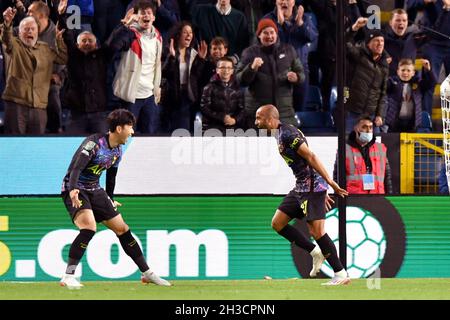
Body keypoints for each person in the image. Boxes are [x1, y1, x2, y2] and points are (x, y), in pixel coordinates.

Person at [60, 109, 171, 289]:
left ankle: (147, 273)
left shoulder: (118, 150)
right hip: (75, 188)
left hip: (95, 190)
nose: (133, 131)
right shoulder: (93, 144)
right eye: (130, 127)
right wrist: (72, 189)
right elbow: (75, 168)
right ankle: (68, 275)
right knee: (88, 228)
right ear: (119, 128)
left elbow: (111, 177)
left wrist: (110, 198)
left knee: (123, 229)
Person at [255, 104, 350, 285]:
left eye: (258, 118)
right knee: (278, 223)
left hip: (312, 187)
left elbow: (311, 156)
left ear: (269, 119)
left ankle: (340, 274)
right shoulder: (281, 133)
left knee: (317, 231)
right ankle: (315, 252)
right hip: (302, 187)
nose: (256, 122)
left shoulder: (288, 134)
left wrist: (328, 183)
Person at [1, 8, 67, 134]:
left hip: (39, 106)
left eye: (32, 29)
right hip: (16, 104)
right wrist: (7, 23)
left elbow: (63, 58)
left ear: (37, 32)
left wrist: (59, 40)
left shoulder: (45, 49)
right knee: (15, 146)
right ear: (19, 33)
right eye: (26, 29)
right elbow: (6, 39)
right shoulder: (14, 45)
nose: (29, 31)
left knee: (36, 148)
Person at [236, 18, 304, 129]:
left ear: (276, 34)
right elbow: (240, 80)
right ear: (259, 35)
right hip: (258, 114)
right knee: (258, 146)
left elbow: (301, 73)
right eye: (265, 33)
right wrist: (252, 68)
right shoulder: (249, 53)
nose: (269, 36)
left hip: (284, 114)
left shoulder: (289, 50)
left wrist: (296, 77)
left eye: (272, 32)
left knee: (285, 144)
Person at [107, 0, 162, 135]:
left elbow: (157, 65)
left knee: (149, 136)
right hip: (132, 96)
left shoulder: (158, 36)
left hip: (149, 95)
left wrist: (157, 87)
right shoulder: (129, 34)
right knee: (127, 136)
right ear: (136, 17)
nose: (146, 16)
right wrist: (124, 24)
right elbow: (112, 47)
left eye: (149, 13)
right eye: (142, 13)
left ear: (153, 17)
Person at [344, 17, 389, 133]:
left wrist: (380, 115)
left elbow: (383, 93)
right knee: (348, 146)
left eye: (382, 41)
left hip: (372, 115)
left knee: (375, 149)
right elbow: (343, 43)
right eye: (376, 40)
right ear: (368, 44)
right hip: (353, 112)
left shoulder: (384, 65)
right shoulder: (358, 55)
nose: (380, 44)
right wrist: (355, 28)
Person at [335, 116, 393, 194]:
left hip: (378, 197)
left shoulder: (380, 148)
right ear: (356, 129)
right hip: (354, 198)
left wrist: (389, 195)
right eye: (364, 127)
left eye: (370, 127)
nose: (368, 130)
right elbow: (337, 176)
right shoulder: (344, 149)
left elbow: (387, 176)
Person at [385, 58, 436, 132]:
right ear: (398, 72)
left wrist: (428, 70)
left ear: (413, 73)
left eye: (408, 70)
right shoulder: (392, 82)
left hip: (412, 123)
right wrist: (383, 67)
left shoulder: (418, 84)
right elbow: (381, 84)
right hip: (394, 123)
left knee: (411, 143)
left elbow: (431, 83)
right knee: (394, 142)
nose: (405, 73)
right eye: (403, 70)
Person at [200, 56, 245, 134]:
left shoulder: (237, 88)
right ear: (217, 70)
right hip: (212, 126)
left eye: (229, 68)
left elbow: (242, 109)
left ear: (232, 71)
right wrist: (222, 117)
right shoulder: (209, 87)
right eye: (223, 67)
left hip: (232, 125)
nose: (226, 70)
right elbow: (204, 108)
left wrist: (235, 120)